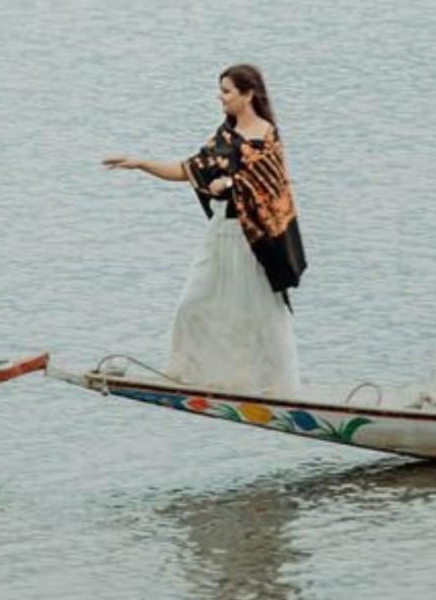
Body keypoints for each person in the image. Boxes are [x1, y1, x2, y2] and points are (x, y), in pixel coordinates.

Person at [104, 64, 306, 393]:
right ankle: (190, 373)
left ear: (248, 94)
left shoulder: (267, 136)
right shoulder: (224, 136)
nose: (220, 97)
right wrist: (141, 164)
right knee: (193, 304)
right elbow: (188, 170)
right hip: (220, 233)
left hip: (251, 239)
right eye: (221, 90)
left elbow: (271, 190)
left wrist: (230, 184)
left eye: (226, 91)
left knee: (260, 313)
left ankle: (273, 386)